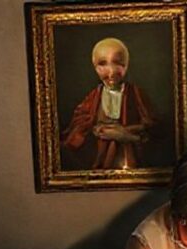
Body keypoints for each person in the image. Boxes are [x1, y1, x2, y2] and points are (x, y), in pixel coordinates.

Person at [61, 37, 157, 170]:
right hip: (99, 159)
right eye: (102, 64)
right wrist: (95, 130)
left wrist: (125, 136)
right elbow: (77, 130)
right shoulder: (92, 98)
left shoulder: (137, 95)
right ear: (94, 67)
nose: (111, 72)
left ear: (126, 65)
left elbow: (153, 132)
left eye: (118, 63)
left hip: (129, 160)